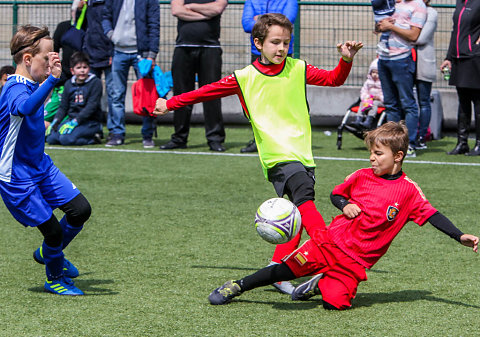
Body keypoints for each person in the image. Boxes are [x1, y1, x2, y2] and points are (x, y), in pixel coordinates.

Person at [154, 14, 363, 294]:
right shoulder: (244, 78)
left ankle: (276, 271)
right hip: (277, 157)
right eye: (275, 42)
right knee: (305, 198)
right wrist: (170, 103)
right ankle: (330, 257)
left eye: (286, 43)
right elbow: (205, 92)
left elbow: (334, 80)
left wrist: (346, 59)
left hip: (303, 155)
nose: (281, 48)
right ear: (258, 43)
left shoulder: (298, 68)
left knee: (297, 216)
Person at [206, 121, 479, 310]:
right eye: (371, 152)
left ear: (398, 156)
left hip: (356, 262)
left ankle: (321, 283)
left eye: (378, 153)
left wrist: (460, 236)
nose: (372, 158)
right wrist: (344, 205)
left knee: (336, 303)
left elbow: (433, 215)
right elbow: (336, 195)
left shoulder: (408, 192)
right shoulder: (361, 176)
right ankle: (238, 286)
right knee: (285, 270)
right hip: (330, 242)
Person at [0, 25, 92, 295]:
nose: (53, 62)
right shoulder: (14, 88)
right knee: (52, 231)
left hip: (40, 165)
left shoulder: (32, 83)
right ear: (27, 60)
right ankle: (54, 277)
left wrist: (47, 80)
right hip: (16, 176)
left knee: (80, 210)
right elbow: (25, 108)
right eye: (47, 57)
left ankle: (49, 253)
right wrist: (52, 79)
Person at [159, 0, 228, 152]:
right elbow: (177, 10)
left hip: (210, 49)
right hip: (183, 48)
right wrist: (205, 14)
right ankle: (179, 138)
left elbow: (217, 9)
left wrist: (190, 7)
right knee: (181, 95)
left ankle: (215, 139)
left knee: (212, 95)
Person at [239, 0, 298, 153]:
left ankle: (286, 140)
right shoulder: (252, 0)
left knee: (284, 100)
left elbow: (288, 23)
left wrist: (259, 20)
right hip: (257, 55)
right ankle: (260, 140)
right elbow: (246, 25)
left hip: (283, 58)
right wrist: (272, 23)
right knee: (259, 101)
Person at [102, 0, 159, 148]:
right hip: (118, 52)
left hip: (142, 54)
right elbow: (105, 16)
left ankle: (147, 135)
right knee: (116, 94)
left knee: (147, 96)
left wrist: (152, 55)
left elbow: (154, 25)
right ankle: (117, 134)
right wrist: (110, 34)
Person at [376, 0, 427, 158]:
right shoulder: (390, 3)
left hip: (402, 59)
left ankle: (409, 144)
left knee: (408, 104)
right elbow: (377, 28)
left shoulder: (418, 6)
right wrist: (381, 26)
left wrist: (391, 26)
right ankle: (391, 144)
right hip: (383, 58)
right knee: (390, 104)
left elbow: (413, 35)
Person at [441, 0, 480, 156]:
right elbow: (455, 30)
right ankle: (462, 143)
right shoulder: (460, 2)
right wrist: (448, 57)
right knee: (463, 103)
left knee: (478, 103)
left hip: (475, 58)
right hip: (459, 59)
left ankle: (479, 143)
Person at [46, 52, 103, 146]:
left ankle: (93, 138)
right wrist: (56, 121)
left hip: (89, 122)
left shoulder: (95, 83)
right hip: (71, 120)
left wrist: (76, 121)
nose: (82, 71)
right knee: (51, 138)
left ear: (89, 68)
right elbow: (63, 107)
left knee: (66, 139)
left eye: (85, 67)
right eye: (79, 68)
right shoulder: (69, 84)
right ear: (72, 71)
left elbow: (91, 106)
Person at [83, 0, 115, 142]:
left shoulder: (111, 4)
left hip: (108, 55)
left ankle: (114, 130)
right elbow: (81, 26)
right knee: (91, 96)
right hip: (91, 54)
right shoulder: (87, 4)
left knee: (113, 95)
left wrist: (113, 53)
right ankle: (94, 129)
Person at [413, 0, 437, 150]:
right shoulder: (410, 9)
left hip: (424, 61)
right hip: (407, 61)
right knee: (408, 102)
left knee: (424, 101)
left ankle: (422, 137)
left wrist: (403, 32)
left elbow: (420, 38)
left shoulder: (431, 13)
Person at [351, 58, 384, 130]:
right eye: (373, 72)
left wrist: (380, 97)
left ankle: (369, 120)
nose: (375, 75)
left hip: (380, 101)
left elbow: (386, 94)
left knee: (374, 103)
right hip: (369, 99)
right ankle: (358, 119)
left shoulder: (383, 83)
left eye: (377, 73)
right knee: (362, 103)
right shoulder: (368, 82)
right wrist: (366, 97)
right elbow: (363, 91)